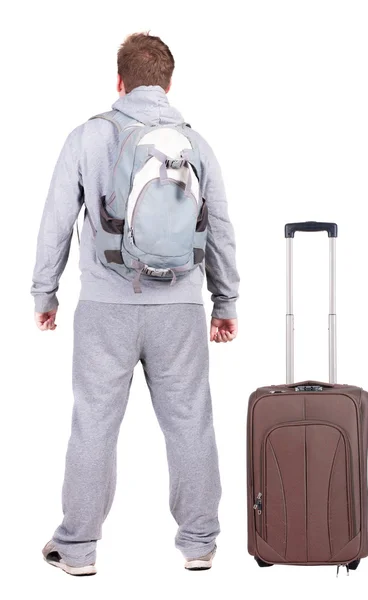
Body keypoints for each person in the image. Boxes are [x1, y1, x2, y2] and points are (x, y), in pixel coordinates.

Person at [32, 32, 239, 576]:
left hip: (105, 308)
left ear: (119, 82)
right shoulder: (196, 144)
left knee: (94, 424)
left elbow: (56, 222)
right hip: (181, 312)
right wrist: (226, 301)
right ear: (169, 85)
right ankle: (199, 543)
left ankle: (77, 551)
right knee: (192, 422)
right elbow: (219, 228)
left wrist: (45, 292)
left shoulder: (87, 136)